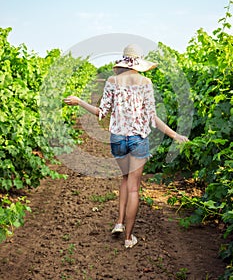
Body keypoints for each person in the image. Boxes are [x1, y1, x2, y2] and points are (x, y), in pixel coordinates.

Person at [63, 44, 189, 249]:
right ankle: (129, 238)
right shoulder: (146, 82)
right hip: (138, 139)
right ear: (138, 63)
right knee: (133, 189)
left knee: (124, 178)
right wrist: (175, 135)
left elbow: (100, 113)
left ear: (123, 61)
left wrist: (79, 102)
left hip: (117, 139)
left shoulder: (112, 81)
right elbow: (152, 117)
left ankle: (119, 223)